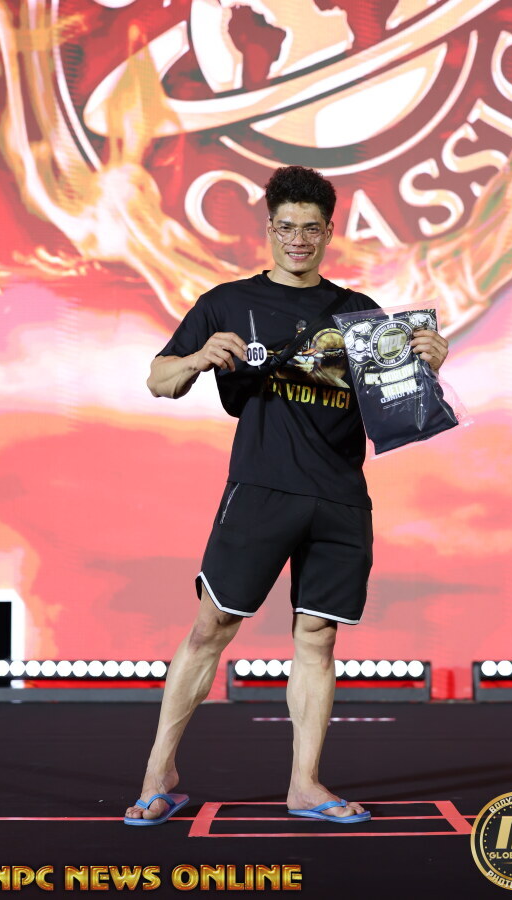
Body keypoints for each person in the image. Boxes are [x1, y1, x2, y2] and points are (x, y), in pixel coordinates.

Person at [124, 165, 449, 825]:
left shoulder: (358, 313)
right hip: (261, 489)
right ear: (269, 228)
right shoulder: (226, 302)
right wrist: (196, 359)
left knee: (317, 638)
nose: (298, 239)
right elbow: (160, 379)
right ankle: (158, 775)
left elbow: (402, 410)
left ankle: (305, 784)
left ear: (329, 232)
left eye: (311, 228)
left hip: (340, 497)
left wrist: (426, 367)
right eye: (286, 227)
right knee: (212, 627)